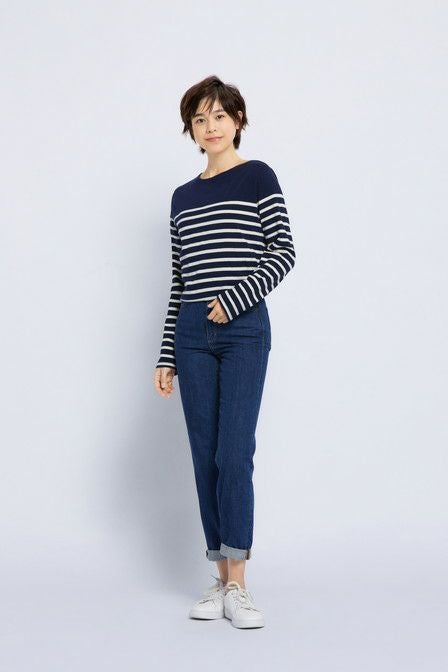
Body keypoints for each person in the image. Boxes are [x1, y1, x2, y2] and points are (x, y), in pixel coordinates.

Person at [154, 75, 296, 628]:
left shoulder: (258, 177)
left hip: (243, 330)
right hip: (192, 334)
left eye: (218, 115)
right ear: (190, 130)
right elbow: (180, 281)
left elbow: (282, 252)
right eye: (199, 119)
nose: (210, 126)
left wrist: (233, 300)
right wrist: (166, 354)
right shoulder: (182, 197)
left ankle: (239, 583)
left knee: (234, 455)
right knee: (204, 455)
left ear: (237, 120)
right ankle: (218, 577)